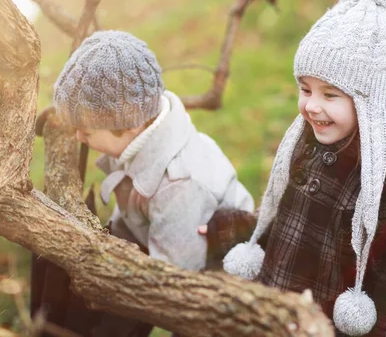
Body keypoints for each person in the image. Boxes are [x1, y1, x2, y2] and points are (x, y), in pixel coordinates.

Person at [223, 0, 386, 336]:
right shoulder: (305, 142)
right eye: (305, 89)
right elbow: (285, 226)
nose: (312, 106)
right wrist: (229, 228)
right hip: (277, 319)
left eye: (330, 94)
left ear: (370, 102)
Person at [33, 30, 254, 336]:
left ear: (129, 125)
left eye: (84, 130)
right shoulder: (143, 125)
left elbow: (172, 285)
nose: (79, 137)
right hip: (147, 238)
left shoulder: (178, 187)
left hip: (199, 277)